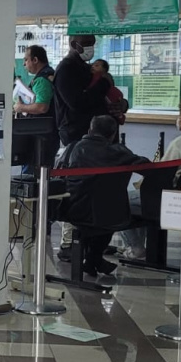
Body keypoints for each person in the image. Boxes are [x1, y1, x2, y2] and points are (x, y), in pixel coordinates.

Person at [119, 91, 181, 260]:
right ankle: (139, 248)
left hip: (169, 196)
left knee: (119, 199)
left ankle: (136, 247)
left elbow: (159, 173)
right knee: (136, 202)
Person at [63, 115, 149, 276]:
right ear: (113, 134)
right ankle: (93, 260)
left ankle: (92, 261)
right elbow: (146, 166)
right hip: (110, 213)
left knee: (94, 223)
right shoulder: (119, 152)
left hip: (75, 208)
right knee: (105, 221)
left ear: (90, 130)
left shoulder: (73, 148)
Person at [53, 35, 112, 262]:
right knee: (75, 188)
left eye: (93, 45)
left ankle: (91, 241)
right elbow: (77, 103)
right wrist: (103, 85)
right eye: (87, 44)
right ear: (74, 44)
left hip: (95, 136)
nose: (90, 49)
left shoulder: (86, 68)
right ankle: (68, 243)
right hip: (75, 137)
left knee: (95, 189)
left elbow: (96, 98)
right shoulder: (66, 69)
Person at [12, 45, 54, 118]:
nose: (24, 64)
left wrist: (21, 107)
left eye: (26, 60)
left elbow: (42, 107)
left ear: (35, 60)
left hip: (41, 126)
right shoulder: (47, 74)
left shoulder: (42, 80)